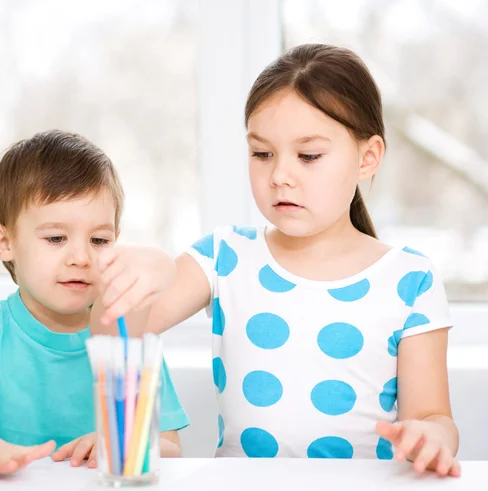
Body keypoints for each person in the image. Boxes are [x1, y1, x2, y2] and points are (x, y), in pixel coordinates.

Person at [97, 44, 460, 477]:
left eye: (308, 156)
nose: (279, 176)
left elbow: (433, 415)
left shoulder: (410, 279)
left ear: (368, 157)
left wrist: (431, 437)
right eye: (262, 153)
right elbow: (109, 330)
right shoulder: (222, 256)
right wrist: (149, 270)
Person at [0, 130, 189, 476]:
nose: (81, 257)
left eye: (99, 240)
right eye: (56, 238)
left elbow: (170, 445)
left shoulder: (127, 335)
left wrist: (115, 442)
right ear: (4, 242)